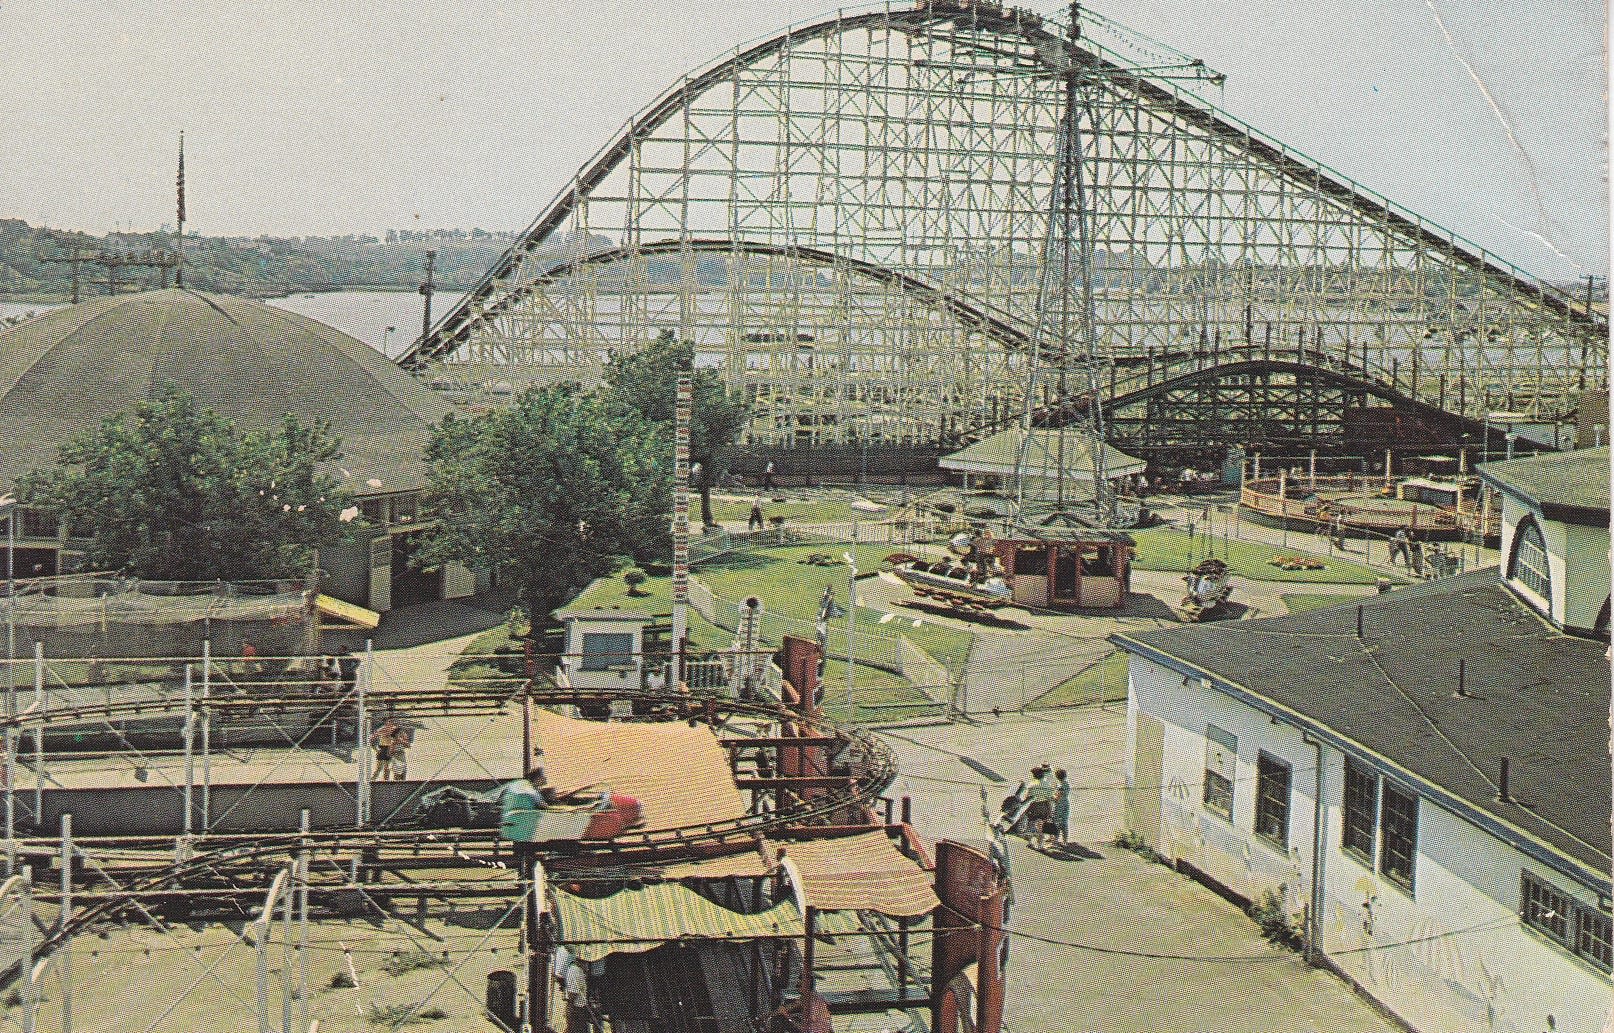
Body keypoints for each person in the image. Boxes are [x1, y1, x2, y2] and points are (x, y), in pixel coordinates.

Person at [1025, 765, 1055, 851]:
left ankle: (1030, 842)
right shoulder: (1047, 784)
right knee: (1041, 826)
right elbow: (1050, 798)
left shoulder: (1031, 784)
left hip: (1034, 806)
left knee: (1031, 825)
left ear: (1034, 775)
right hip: (1044, 806)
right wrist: (1050, 809)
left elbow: (1027, 796)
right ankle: (1040, 845)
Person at [370, 717, 399, 781]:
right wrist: (376, 749)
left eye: (392, 722)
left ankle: (386, 781)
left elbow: (397, 739)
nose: (391, 723)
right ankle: (372, 780)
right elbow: (372, 738)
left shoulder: (394, 729)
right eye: (389, 722)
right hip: (382, 749)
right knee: (379, 768)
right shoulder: (382, 729)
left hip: (390, 749)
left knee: (387, 768)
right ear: (386, 722)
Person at [1051, 768, 1071, 846]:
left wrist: (1051, 796)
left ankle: (1055, 841)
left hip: (1059, 805)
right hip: (1066, 803)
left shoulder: (1060, 786)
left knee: (1056, 823)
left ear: (1057, 777)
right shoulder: (1066, 784)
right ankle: (1065, 841)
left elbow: (1057, 797)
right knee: (1064, 822)